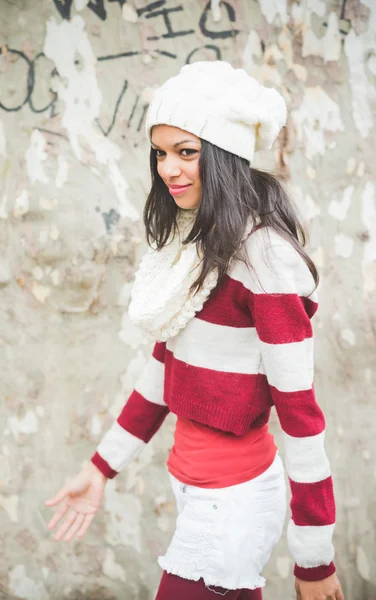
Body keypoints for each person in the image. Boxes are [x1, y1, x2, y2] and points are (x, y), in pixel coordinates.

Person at [45, 61, 344, 600]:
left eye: (187, 151)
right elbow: (166, 368)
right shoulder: (199, 246)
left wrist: (314, 560)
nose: (168, 168)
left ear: (225, 155)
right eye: (161, 152)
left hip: (230, 504)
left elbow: (300, 414)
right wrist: (100, 469)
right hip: (195, 491)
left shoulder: (265, 259)